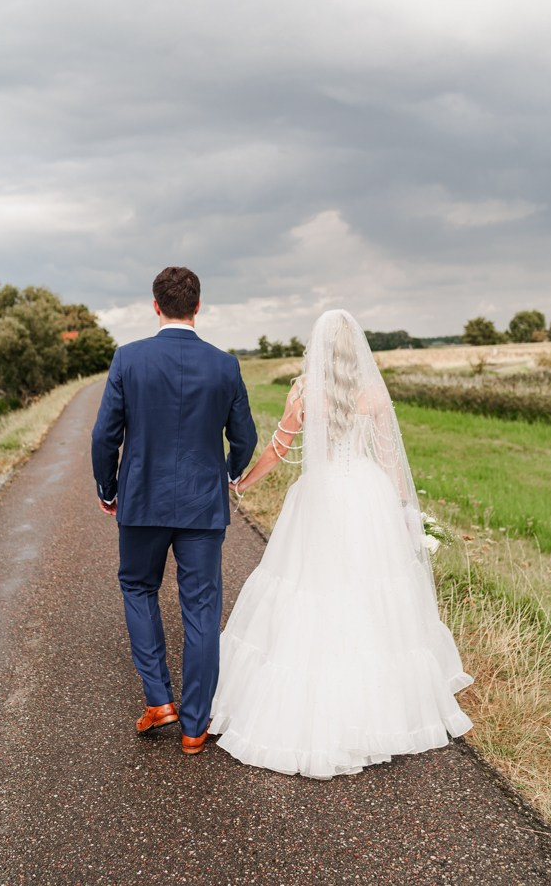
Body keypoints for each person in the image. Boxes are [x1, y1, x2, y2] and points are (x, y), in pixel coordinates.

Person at [209, 309, 473, 778]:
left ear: (318, 348)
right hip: (367, 493)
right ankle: (386, 708)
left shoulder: (302, 391)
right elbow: (391, 457)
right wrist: (402, 509)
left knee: (311, 584)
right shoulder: (372, 392)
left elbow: (278, 449)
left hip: (322, 495)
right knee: (373, 589)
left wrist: (242, 483)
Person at [91, 267, 257, 755]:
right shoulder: (224, 365)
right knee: (202, 608)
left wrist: (107, 487)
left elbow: (105, 435)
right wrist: (227, 473)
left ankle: (159, 699)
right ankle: (193, 726)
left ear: (156, 305)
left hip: (141, 500)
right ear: (198, 306)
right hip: (203, 506)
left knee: (139, 587)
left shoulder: (129, 359)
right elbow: (243, 437)